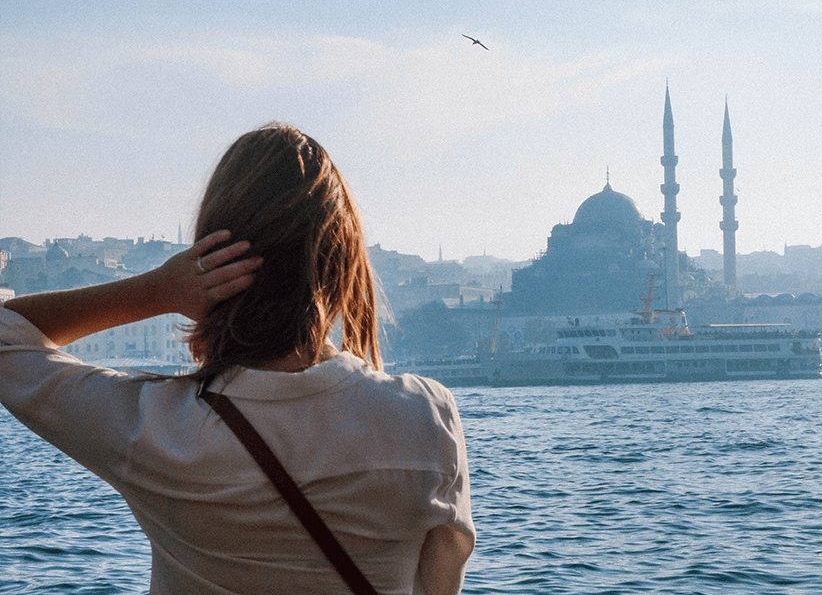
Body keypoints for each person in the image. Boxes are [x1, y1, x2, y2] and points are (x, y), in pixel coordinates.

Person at [0, 123, 475, 594]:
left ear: (211, 257)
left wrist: (155, 291)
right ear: (342, 263)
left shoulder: (157, 429)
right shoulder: (426, 417)